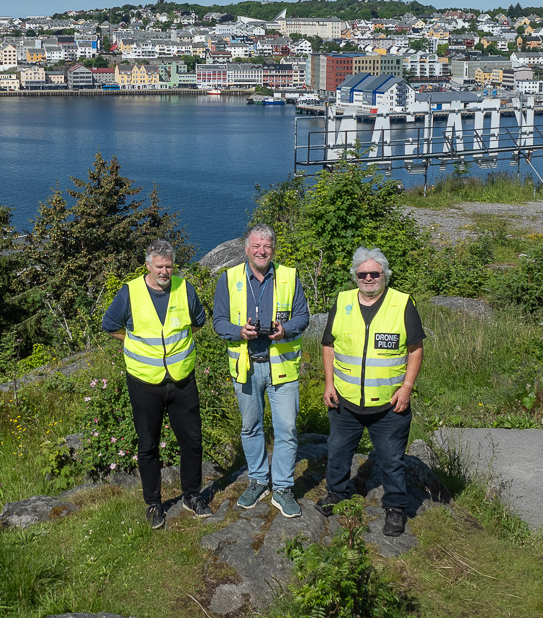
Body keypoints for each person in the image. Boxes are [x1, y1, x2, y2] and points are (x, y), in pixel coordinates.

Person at [101, 239, 211, 530]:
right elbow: (110, 325)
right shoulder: (130, 293)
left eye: (169, 265)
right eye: (159, 266)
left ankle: (192, 496)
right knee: (148, 445)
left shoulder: (184, 288)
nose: (165, 271)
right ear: (147, 265)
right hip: (144, 383)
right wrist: (134, 342)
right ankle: (153, 504)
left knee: (192, 440)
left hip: (182, 379)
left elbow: (198, 322)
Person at [317, 247, 425, 537]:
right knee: (338, 451)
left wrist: (407, 387)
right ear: (355, 276)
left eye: (374, 273)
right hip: (345, 399)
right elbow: (328, 345)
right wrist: (329, 384)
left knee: (392, 459)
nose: (368, 278)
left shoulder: (402, 304)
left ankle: (395, 508)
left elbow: (416, 349)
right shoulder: (342, 301)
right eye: (362, 273)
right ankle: (336, 493)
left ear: (384, 275)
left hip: (390, 404)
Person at [212, 224, 309, 518]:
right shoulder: (227, 280)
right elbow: (218, 322)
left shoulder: (290, 277)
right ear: (246, 249)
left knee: (287, 430)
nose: (261, 251)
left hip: (282, 368)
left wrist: (286, 329)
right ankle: (257, 481)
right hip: (246, 368)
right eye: (256, 246)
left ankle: (281, 487)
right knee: (250, 427)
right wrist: (239, 332)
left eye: (266, 246)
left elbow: (303, 316)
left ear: (273, 249)